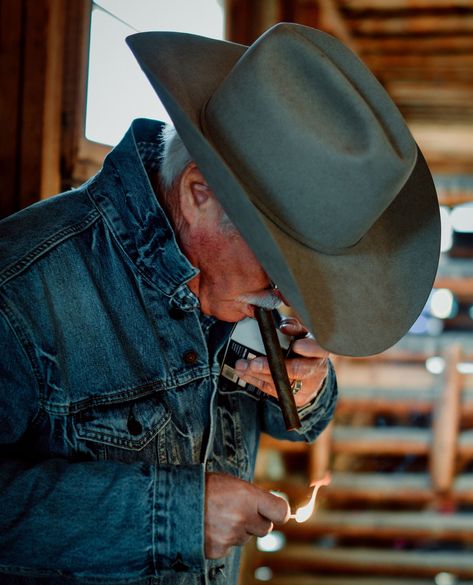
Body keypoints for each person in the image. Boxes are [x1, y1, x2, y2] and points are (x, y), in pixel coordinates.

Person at [0, 22, 439, 585]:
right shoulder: (23, 288)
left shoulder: (232, 281)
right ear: (198, 192)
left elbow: (294, 425)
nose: (289, 296)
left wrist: (307, 392)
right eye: (283, 267)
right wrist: (176, 516)